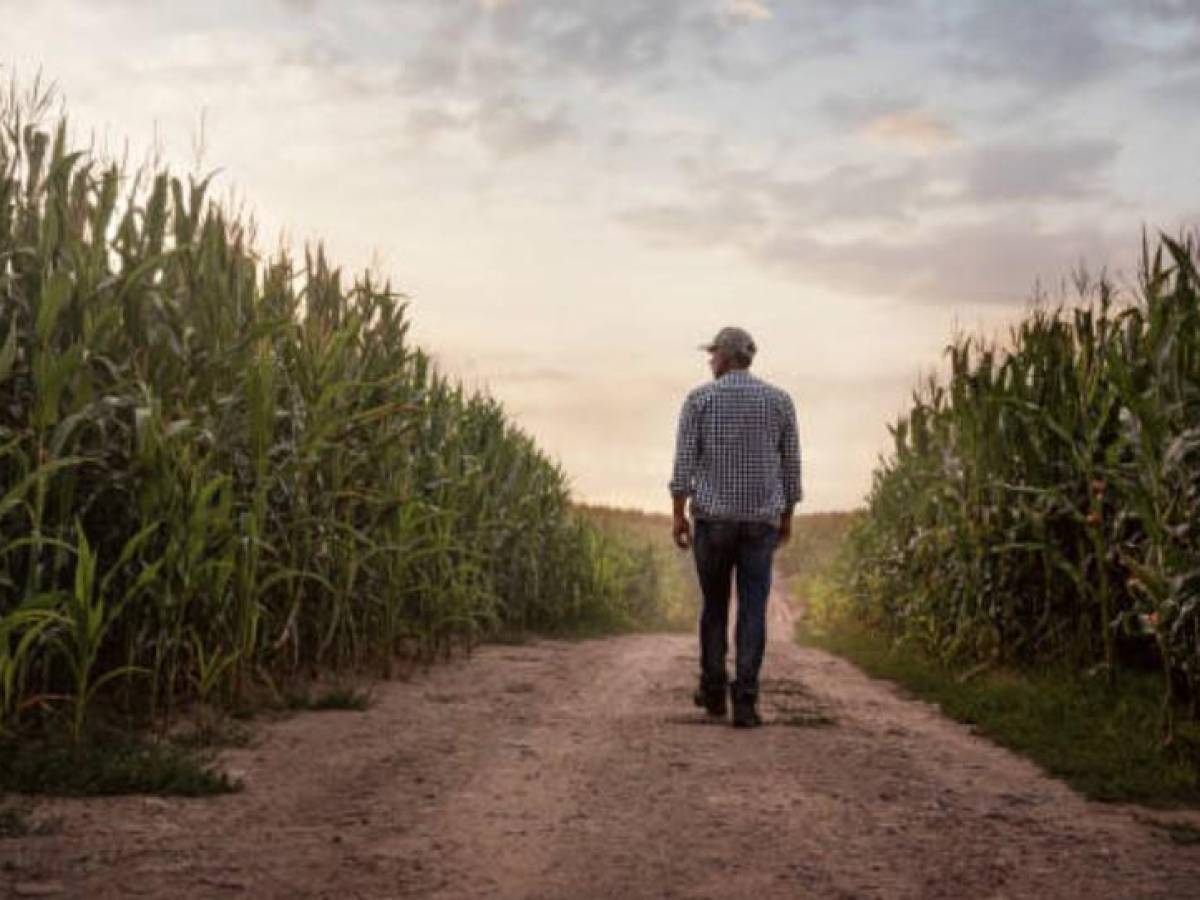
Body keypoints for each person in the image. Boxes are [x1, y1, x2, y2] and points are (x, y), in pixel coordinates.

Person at [669, 326, 802, 728]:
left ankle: (713, 690)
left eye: (712, 355)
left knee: (713, 606)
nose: (710, 361)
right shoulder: (780, 401)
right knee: (752, 609)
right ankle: (745, 699)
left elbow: (684, 465)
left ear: (725, 357)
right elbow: (791, 467)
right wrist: (787, 516)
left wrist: (678, 513)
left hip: (713, 521)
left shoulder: (700, 399)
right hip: (760, 522)